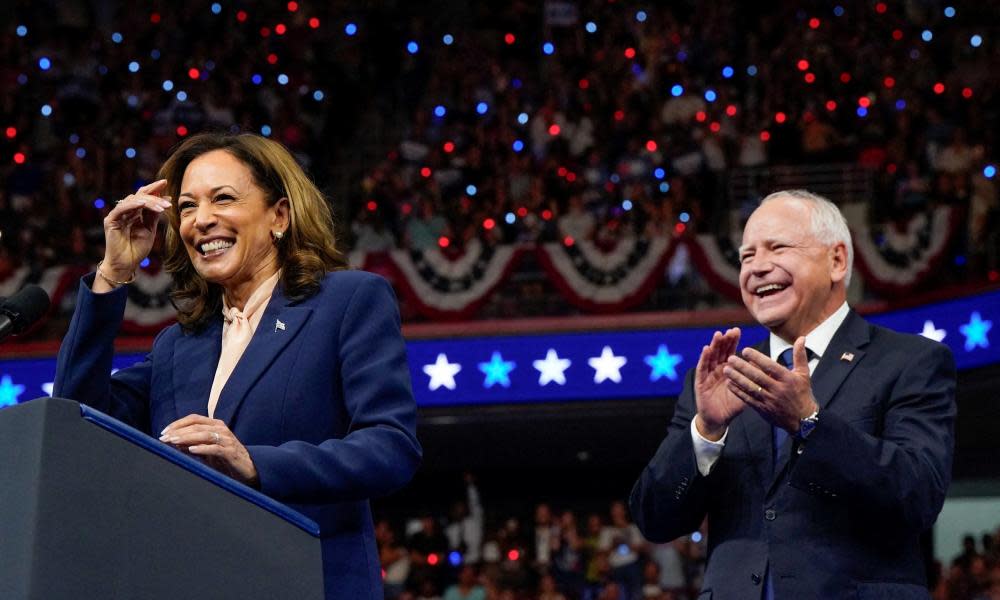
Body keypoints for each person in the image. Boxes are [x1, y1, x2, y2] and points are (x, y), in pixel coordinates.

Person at [52, 132, 422, 599]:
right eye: (186, 207)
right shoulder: (176, 346)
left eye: (222, 199)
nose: (201, 221)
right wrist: (112, 274)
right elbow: (74, 418)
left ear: (279, 216)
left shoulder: (347, 302)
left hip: (310, 583)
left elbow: (391, 447)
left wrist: (255, 464)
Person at [630, 189, 956, 598]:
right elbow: (655, 519)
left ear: (836, 261)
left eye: (777, 248)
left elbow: (918, 497)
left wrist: (810, 424)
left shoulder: (910, 361)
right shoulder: (720, 377)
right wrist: (705, 432)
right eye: (747, 256)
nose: (757, 268)